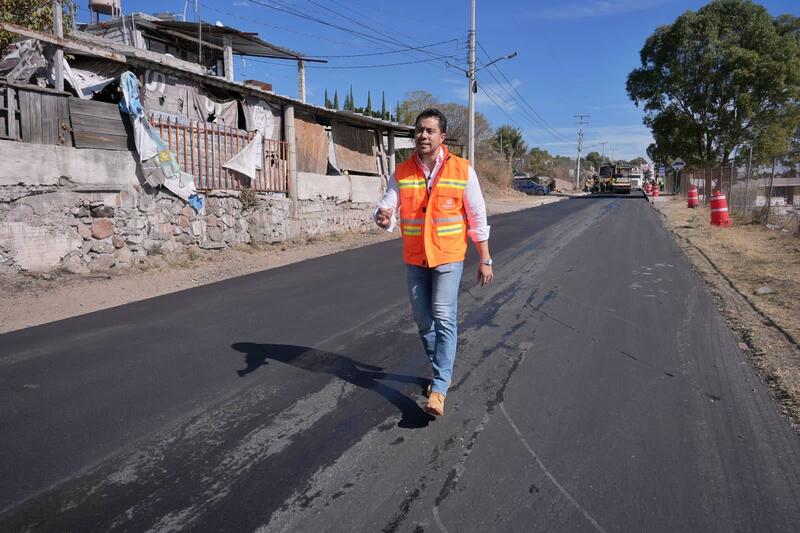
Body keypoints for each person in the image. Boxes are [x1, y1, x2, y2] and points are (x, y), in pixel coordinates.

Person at [374, 108, 493, 417]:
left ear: (442, 136)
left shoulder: (463, 170)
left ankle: (439, 388)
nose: (422, 135)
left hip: (449, 255)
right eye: (419, 130)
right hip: (415, 257)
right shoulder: (402, 171)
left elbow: (477, 217)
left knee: (443, 314)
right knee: (422, 319)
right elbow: (387, 204)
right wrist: (383, 215)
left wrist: (485, 258)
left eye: (429, 130)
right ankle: (442, 368)